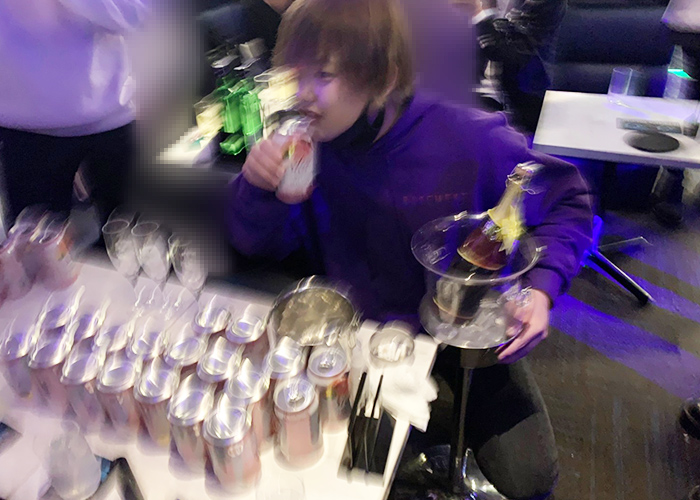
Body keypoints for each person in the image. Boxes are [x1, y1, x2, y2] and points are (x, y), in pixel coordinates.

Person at [226, 0, 592, 498]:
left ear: (384, 75)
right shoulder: (307, 151)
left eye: (324, 75)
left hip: (464, 327)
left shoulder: (466, 137)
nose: (302, 95)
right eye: (296, 75)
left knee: (530, 479)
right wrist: (255, 187)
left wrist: (543, 290)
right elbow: (256, 244)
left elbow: (567, 200)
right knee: (351, 475)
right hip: (366, 343)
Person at [0, 0, 149, 227]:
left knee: (138, 239)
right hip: (25, 128)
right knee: (33, 247)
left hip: (111, 117)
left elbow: (138, 14)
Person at [455, 0, 566, 134]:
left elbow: (512, 56)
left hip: (518, 108)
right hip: (479, 94)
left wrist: (478, 14)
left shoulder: (549, 9)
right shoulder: (513, 7)